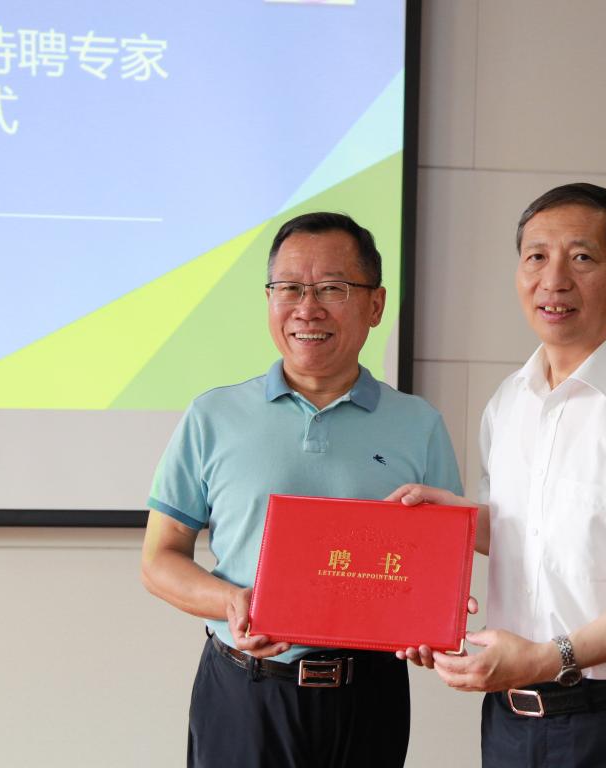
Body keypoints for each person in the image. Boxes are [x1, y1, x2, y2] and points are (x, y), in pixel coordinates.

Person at [388, 183, 606, 767]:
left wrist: (552, 657)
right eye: (536, 257)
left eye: (582, 257)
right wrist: (456, 521)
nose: (554, 280)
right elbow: (533, 531)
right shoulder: (509, 402)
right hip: (510, 721)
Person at [142, 211, 463, 768]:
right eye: (288, 288)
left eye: (332, 288)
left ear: (376, 304)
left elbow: (438, 565)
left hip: (369, 696)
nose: (306, 308)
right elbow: (159, 559)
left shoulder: (420, 424)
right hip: (244, 693)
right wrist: (231, 603)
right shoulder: (213, 416)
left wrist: (430, 621)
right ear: (269, 300)